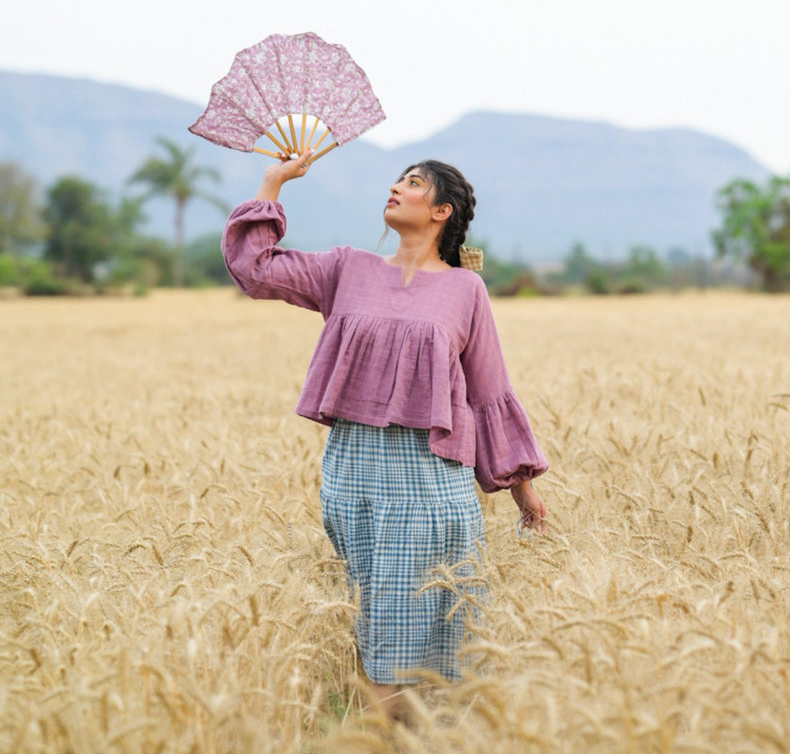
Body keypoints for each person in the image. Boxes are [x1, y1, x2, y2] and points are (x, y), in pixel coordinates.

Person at [222, 148, 548, 718]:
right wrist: (274, 181)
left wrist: (523, 491)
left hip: (427, 485)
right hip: (348, 479)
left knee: (393, 644)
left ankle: (384, 735)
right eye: (397, 179)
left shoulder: (465, 291)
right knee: (377, 625)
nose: (395, 187)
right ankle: (413, 732)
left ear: (442, 211)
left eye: (413, 182)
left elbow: (487, 391)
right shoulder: (348, 269)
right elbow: (257, 269)